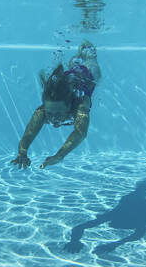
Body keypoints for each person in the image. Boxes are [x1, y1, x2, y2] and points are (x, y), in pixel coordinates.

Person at [11, 40, 101, 170]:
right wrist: (22, 153)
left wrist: (59, 156)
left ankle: (87, 51)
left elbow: (81, 133)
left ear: (69, 105)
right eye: (50, 113)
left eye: (58, 113)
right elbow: (29, 134)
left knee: (91, 63)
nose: (53, 118)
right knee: (72, 67)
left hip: (88, 76)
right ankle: (76, 61)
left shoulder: (81, 104)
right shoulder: (42, 112)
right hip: (69, 79)